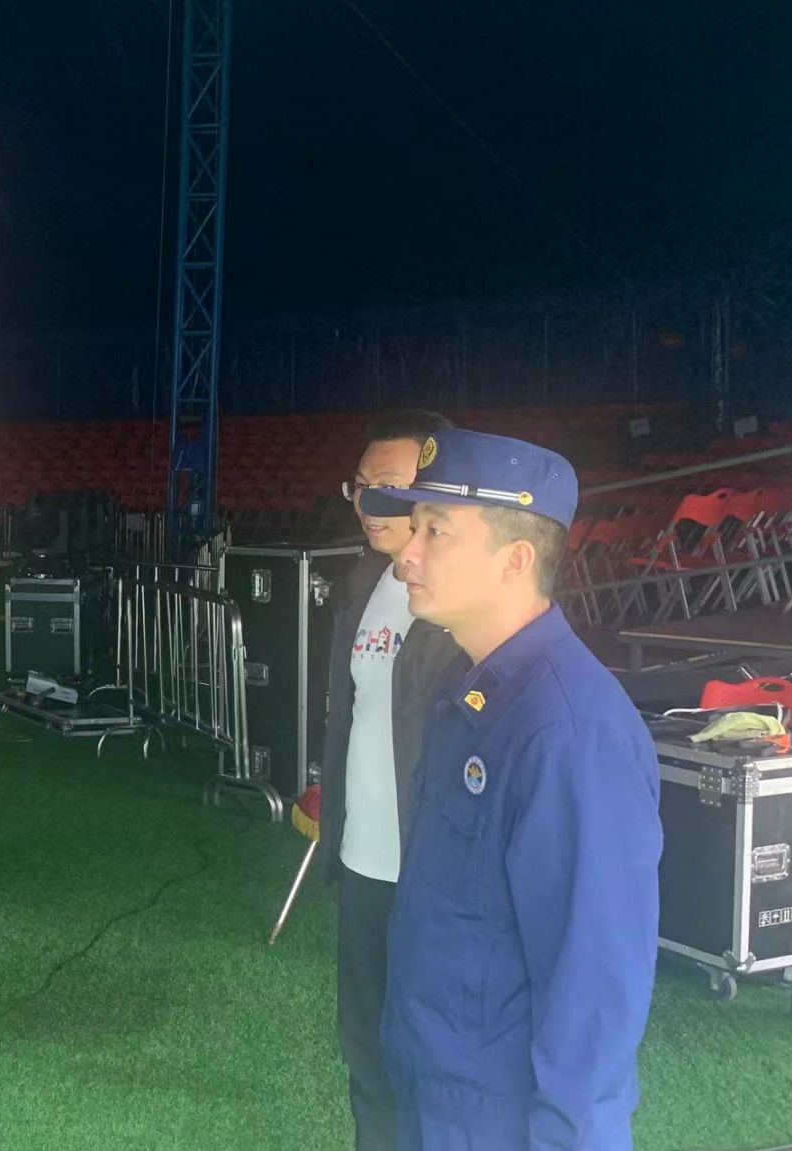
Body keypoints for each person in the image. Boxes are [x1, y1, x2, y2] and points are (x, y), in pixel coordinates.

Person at [360, 428, 662, 1150]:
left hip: (493, 1118)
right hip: (432, 1085)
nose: (407, 553)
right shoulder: (472, 690)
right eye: (414, 527)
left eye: (436, 531)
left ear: (516, 559)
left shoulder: (570, 732)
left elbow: (593, 990)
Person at [319, 410, 463, 1151]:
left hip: (434, 873)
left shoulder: (463, 608)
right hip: (364, 862)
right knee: (365, 1045)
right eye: (360, 487)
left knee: (434, 1054)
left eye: (389, 488)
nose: (367, 504)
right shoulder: (364, 585)